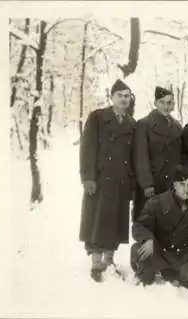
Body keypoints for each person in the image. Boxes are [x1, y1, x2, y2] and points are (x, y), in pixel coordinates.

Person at [130, 165, 188, 298]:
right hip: (160, 252)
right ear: (174, 185)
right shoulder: (156, 203)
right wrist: (148, 239)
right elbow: (138, 226)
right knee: (139, 249)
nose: (186, 189)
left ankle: (174, 275)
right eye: (182, 184)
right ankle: (164, 275)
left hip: (183, 255)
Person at [79, 79, 136, 282]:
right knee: (96, 218)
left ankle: (109, 260)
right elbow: (87, 149)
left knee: (116, 221)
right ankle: (96, 262)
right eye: (119, 95)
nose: (123, 99)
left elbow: (132, 156)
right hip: (101, 179)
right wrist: (88, 178)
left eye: (127, 95)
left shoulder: (131, 123)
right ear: (111, 97)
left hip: (121, 181)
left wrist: (132, 183)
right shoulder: (97, 118)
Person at [133, 87, 182, 221]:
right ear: (155, 103)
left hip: (170, 184)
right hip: (152, 184)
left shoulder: (177, 126)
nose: (166, 106)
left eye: (170, 103)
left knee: (168, 224)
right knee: (147, 222)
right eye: (162, 102)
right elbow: (140, 157)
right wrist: (147, 184)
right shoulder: (144, 124)